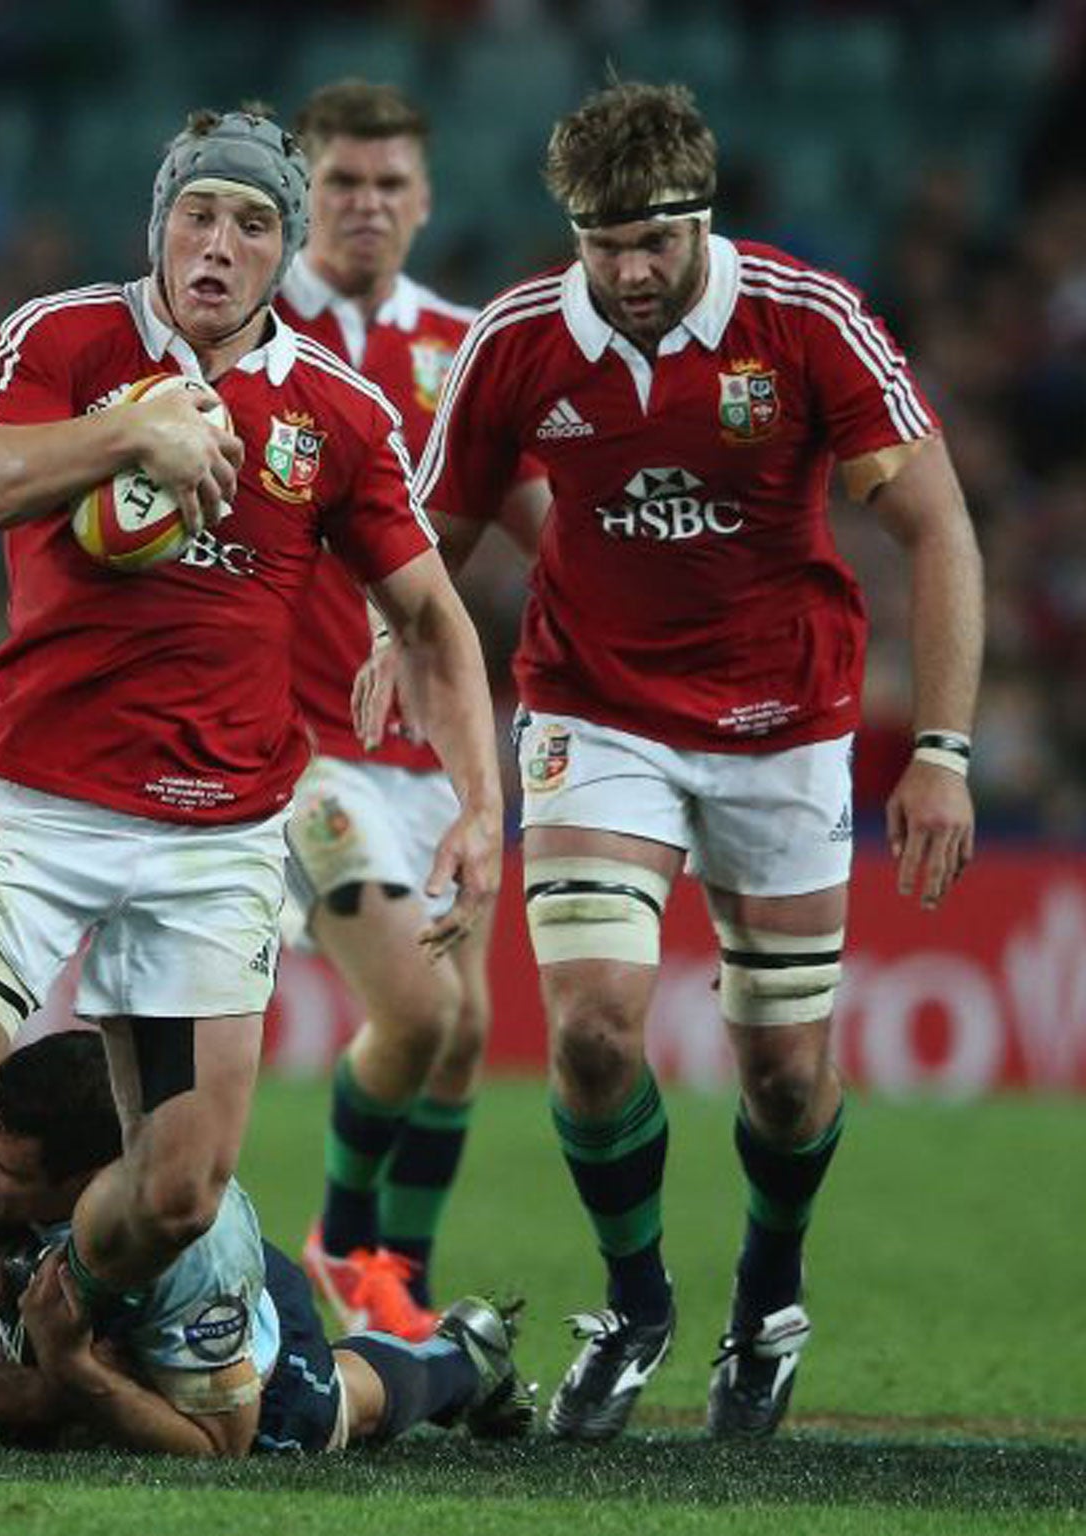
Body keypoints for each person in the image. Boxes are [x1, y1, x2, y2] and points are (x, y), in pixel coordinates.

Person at [0, 106, 502, 1444]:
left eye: (253, 223)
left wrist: (481, 804)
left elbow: (430, 617)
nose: (219, 242)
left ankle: (63, 1305)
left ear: (284, 249)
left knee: (184, 1188)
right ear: (160, 225)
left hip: (220, 841)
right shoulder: (66, 340)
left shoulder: (337, 414)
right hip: (36, 808)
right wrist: (126, 439)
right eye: (199, 213)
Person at [396, 80, 982, 1440]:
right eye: (604, 246)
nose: (631, 273)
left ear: (702, 223)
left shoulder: (807, 321)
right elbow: (436, 523)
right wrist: (397, 632)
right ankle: (637, 1302)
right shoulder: (523, 339)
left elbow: (939, 528)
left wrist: (942, 751)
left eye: (654, 244)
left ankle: (767, 1303)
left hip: (788, 725)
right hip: (595, 713)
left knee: (783, 1074)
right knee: (596, 1030)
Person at [274, 80, 549, 1343]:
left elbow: (548, 527)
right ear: (303, 190)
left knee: (467, 1031)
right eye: (341, 182)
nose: (367, 205)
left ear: (424, 198)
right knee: (419, 1009)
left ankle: (403, 1289)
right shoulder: (251, 327)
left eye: (389, 185)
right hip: (300, 744)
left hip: (431, 742)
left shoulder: (466, 345)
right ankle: (339, 1241)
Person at [0, 1030, 533, 1455]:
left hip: (232, 1335)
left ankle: (461, 1357)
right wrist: (50, 1391)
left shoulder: (200, 1252)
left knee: (331, 1413)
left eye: (4, 1170)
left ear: (86, 1182)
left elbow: (220, 1446)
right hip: (104, 1320)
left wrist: (77, 1373)